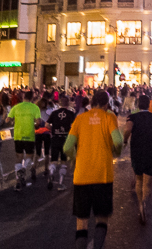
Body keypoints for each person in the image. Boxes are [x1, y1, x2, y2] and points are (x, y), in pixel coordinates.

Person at [64, 90, 123, 249]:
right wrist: (116, 152)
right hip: (102, 175)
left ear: (92, 102)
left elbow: (67, 147)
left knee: (82, 220)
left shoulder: (80, 118)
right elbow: (118, 141)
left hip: (81, 175)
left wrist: (76, 158)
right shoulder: (109, 117)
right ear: (106, 104)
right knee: (101, 218)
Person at [124, 94, 152, 223]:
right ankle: (144, 203)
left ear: (137, 105)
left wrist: (125, 140)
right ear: (148, 105)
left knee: (138, 179)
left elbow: (128, 129)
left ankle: (140, 206)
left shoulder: (133, 117)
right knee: (147, 181)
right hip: (150, 150)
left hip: (136, 150)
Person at [7, 90, 41, 189]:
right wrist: (34, 125)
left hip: (18, 135)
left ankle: (18, 181)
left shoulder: (16, 107)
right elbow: (38, 122)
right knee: (30, 155)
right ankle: (24, 168)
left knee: (19, 157)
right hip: (29, 135)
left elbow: (8, 120)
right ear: (32, 98)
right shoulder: (35, 107)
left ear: (23, 97)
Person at [47, 95, 77, 190]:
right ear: (68, 103)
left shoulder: (54, 113)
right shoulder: (71, 113)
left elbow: (47, 124)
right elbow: (74, 126)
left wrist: (53, 130)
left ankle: (51, 172)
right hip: (65, 139)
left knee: (54, 159)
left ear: (60, 103)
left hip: (55, 138)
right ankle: (60, 184)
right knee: (64, 161)